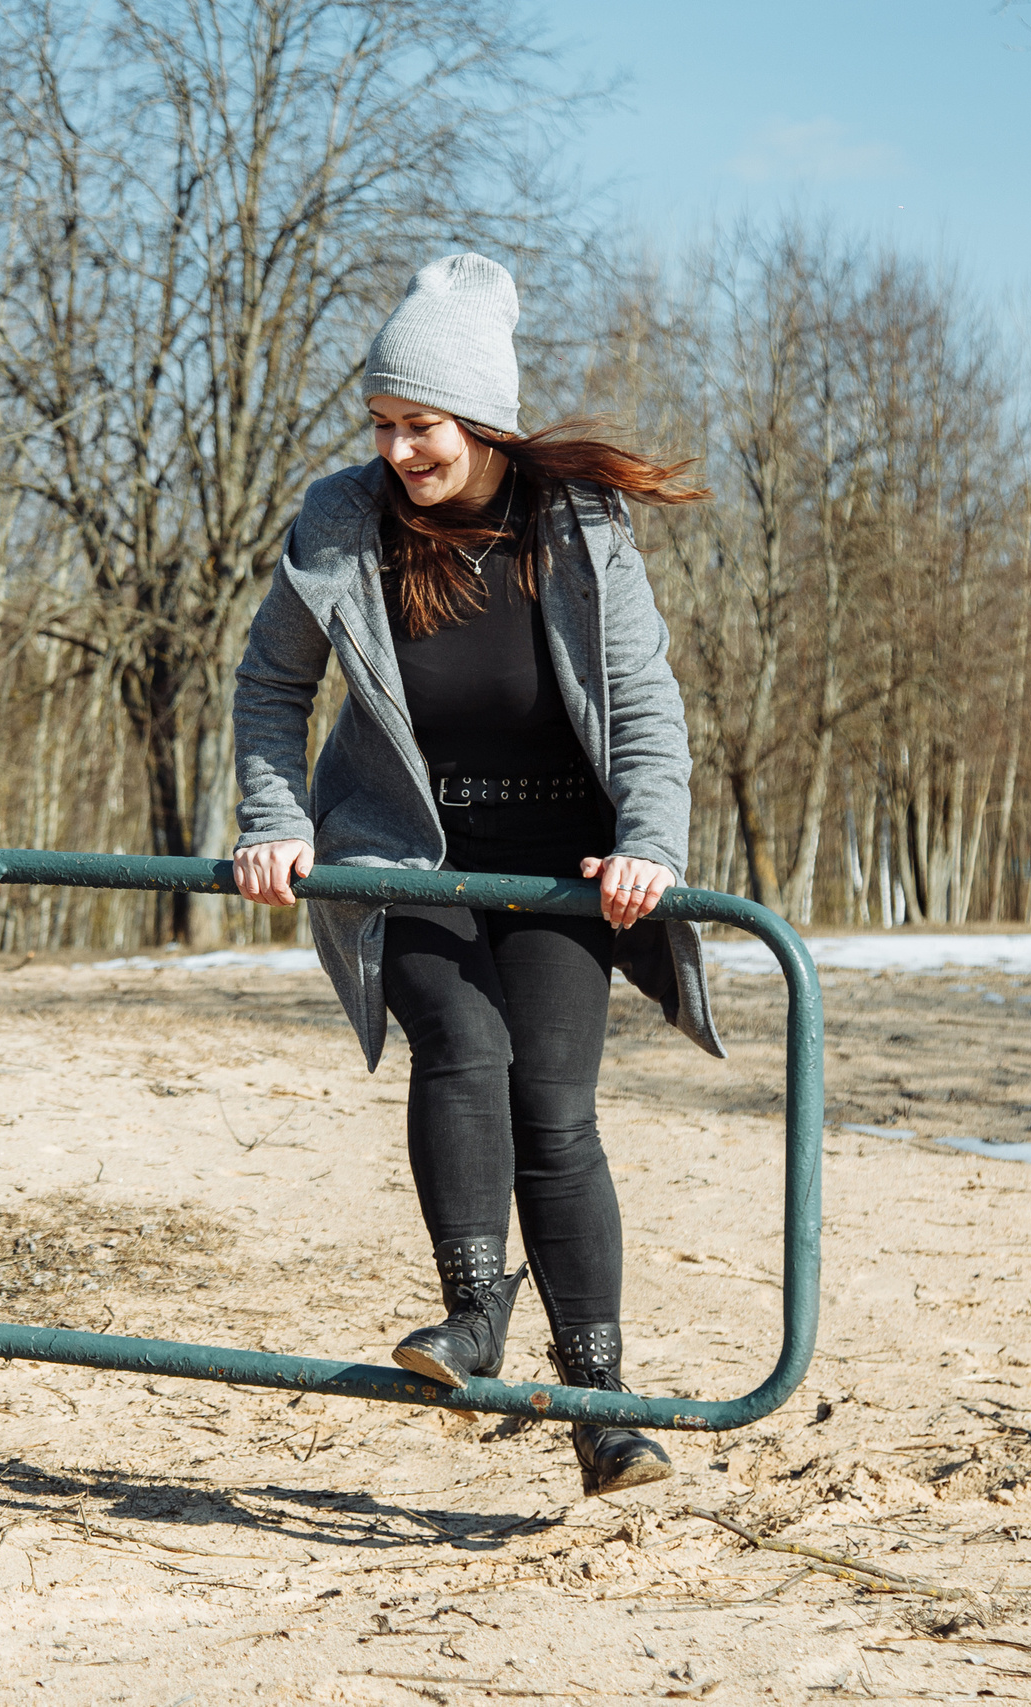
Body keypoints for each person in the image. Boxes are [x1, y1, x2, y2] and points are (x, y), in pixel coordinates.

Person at [229, 254, 724, 1497]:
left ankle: (602, 1411)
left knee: (555, 1116)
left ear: (484, 419)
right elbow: (271, 686)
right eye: (383, 424)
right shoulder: (341, 521)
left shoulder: (576, 528)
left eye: (422, 425)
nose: (398, 449)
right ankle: (471, 1319)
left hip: (565, 862)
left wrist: (650, 845)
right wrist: (275, 817)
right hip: (408, 850)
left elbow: (647, 707)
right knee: (463, 1045)